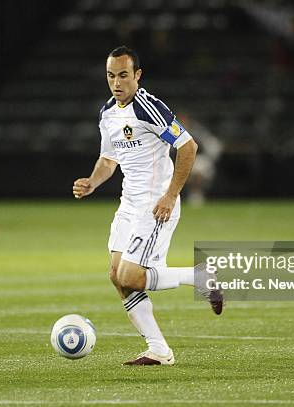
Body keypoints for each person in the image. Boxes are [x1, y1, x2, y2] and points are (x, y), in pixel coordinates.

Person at [73, 46, 223, 366]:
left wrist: (170, 196)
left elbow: (188, 147)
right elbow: (108, 158)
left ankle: (199, 277)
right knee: (117, 275)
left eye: (123, 75)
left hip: (156, 205)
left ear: (137, 76)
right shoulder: (108, 113)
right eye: (111, 76)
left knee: (131, 275)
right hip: (128, 205)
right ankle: (158, 350)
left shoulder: (148, 107)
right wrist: (92, 181)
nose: (117, 82)